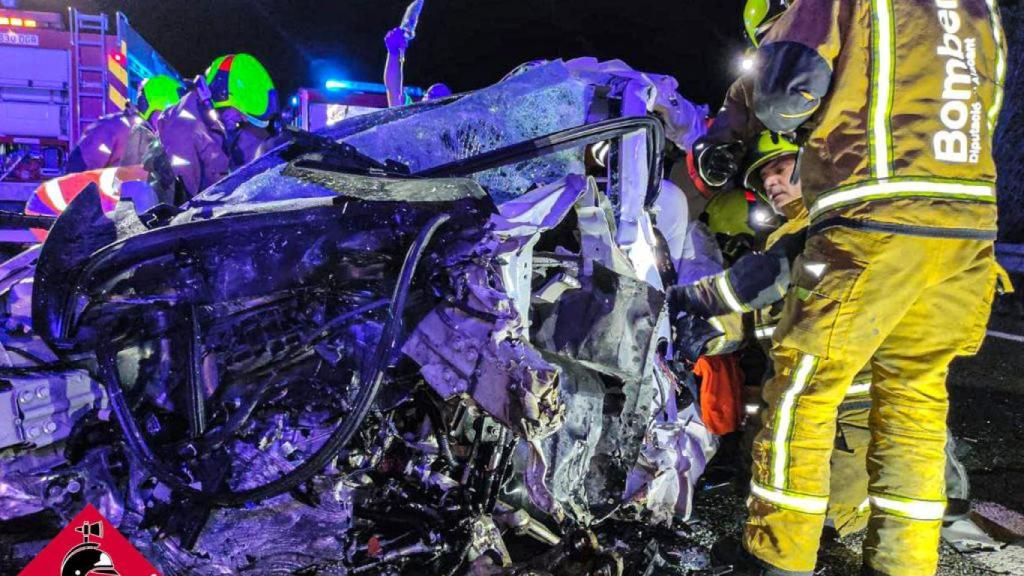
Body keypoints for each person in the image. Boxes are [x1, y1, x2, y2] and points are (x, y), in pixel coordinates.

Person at [726, 1, 1006, 574]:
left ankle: (778, 556)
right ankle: (902, 563)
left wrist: (748, 117)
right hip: (968, 233)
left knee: (804, 388)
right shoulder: (982, 11)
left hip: (872, 221)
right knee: (915, 401)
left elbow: (784, 97)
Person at [672, 132, 977, 545]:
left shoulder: (835, 228)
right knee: (769, 486)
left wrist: (688, 302)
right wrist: (708, 333)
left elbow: (768, 290)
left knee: (826, 514)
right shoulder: (785, 236)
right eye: (763, 179)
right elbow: (765, 318)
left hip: (849, 414)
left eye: (779, 169)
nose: (770, 184)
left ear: (812, 165)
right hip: (815, 407)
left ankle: (930, 475)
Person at [152, 53, 278, 201]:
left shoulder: (216, 121)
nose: (241, 120)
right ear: (221, 96)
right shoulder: (183, 129)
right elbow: (186, 205)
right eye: (239, 113)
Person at [66, 75, 184, 173]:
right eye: (166, 115)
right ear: (147, 107)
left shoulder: (161, 144)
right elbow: (76, 175)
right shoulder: (113, 130)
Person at [384, 27, 452, 107]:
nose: (433, 99)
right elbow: (394, 90)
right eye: (429, 94)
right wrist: (393, 52)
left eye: (440, 97)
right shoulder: (410, 114)